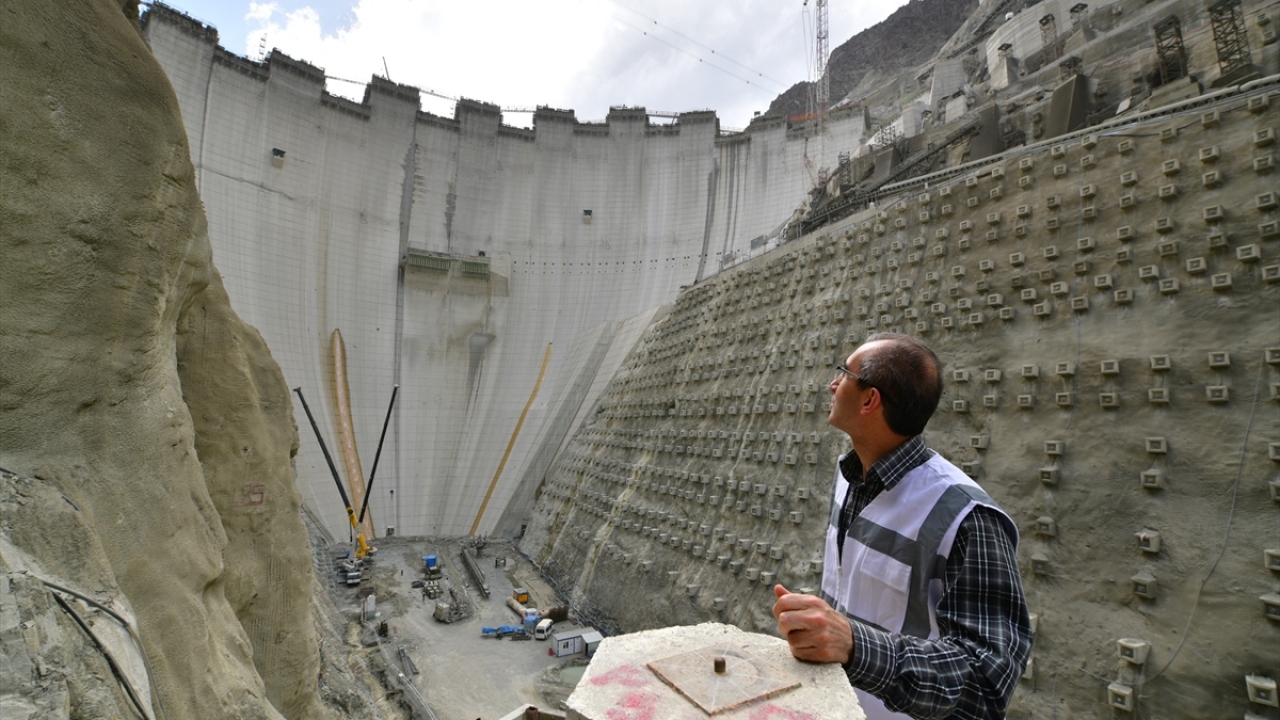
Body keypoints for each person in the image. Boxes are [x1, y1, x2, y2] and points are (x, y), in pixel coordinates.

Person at [772, 333, 1031, 719]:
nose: (832, 383)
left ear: (869, 400)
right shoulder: (850, 477)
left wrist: (857, 646)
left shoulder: (967, 518)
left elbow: (987, 682)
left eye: (843, 374)